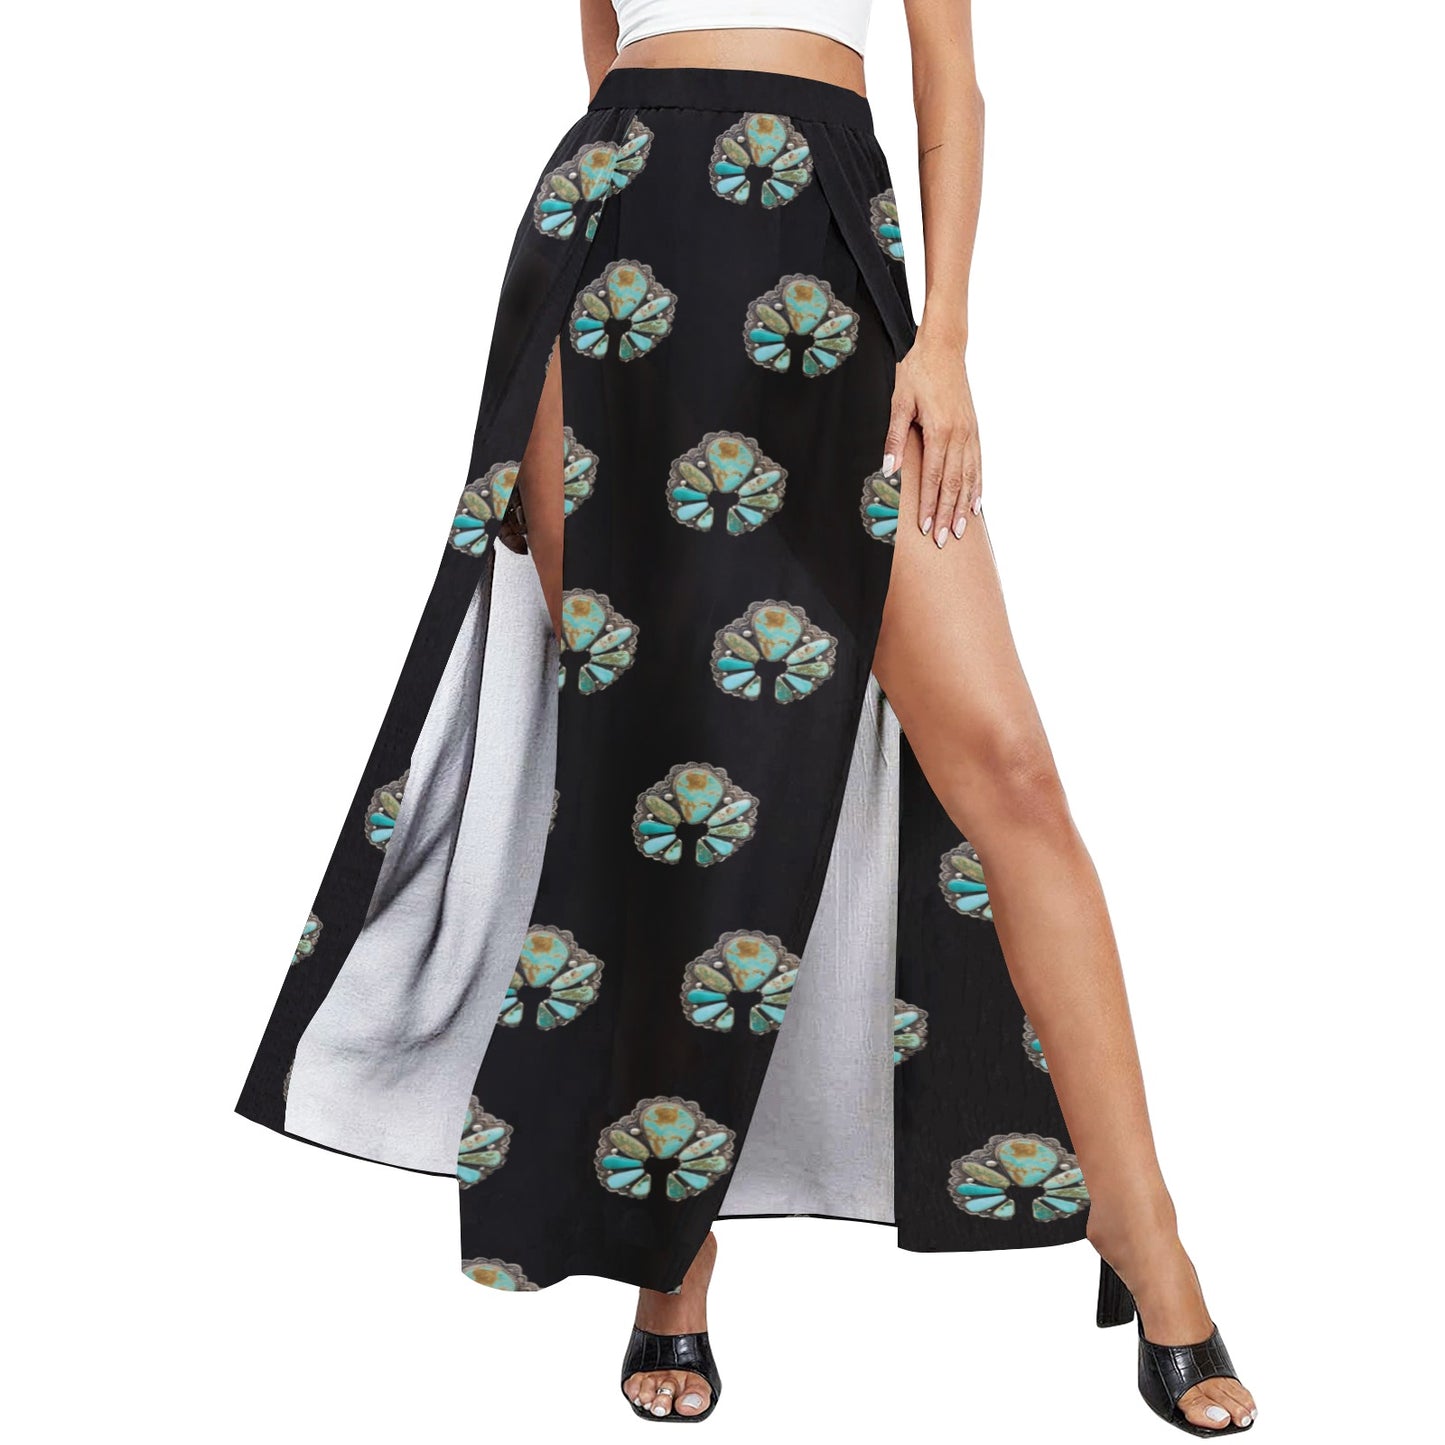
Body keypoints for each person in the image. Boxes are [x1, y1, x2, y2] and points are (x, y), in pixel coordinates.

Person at [237, 1, 1258, 1434]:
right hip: (616, 260)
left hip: (828, 251)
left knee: (1008, 770)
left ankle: (1149, 1237)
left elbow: (950, 81)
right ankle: (671, 1254)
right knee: (642, 772)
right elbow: (610, 54)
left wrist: (945, 337)